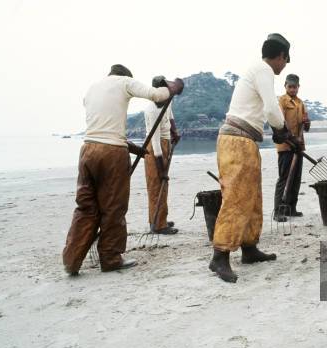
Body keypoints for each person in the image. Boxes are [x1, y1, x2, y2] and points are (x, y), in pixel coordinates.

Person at [62, 64, 183, 275]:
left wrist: (131, 147)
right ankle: (110, 258)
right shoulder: (124, 81)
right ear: (124, 76)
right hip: (112, 154)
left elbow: (104, 126)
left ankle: (71, 260)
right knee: (113, 207)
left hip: (88, 151)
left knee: (85, 208)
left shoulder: (92, 89)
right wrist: (175, 86)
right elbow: (156, 95)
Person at [209, 33, 292, 283]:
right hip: (236, 141)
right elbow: (271, 109)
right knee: (236, 198)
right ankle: (220, 256)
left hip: (245, 141)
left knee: (252, 198)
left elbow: (266, 111)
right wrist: (283, 131)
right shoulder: (263, 69)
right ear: (280, 56)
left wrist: (281, 132)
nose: (285, 65)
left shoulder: (257, 70)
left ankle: (249, 248)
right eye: (285, 60)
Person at [143, 75, 181, 235]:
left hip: (165, 143)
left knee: (163, 186)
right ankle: (158, 225)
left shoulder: (167, 97)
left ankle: (160, 219)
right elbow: (155, 141)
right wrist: (162, 169)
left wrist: (174, 131)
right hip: (154, 148)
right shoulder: (151, 109)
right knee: (156, 185)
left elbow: (170, 115)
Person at [273, 73, 310, 221]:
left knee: (296, 179)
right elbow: (281, 123)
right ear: (285, 86)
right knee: (284, 178)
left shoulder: (301, 103)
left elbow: (306, 128)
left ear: (298, 87)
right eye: (290, 87)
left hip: (299, 146)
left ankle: (291, 208)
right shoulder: (281, 101)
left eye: (295, 87)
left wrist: (307, 123)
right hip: (286, 145)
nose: (293, 90)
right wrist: (291, 139)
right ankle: (278, 211)